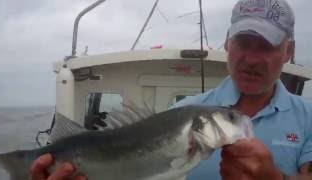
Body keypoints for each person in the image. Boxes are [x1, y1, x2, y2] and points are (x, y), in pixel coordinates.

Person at [30, 0, 312, 179]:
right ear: (227, 43)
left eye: (266, 46)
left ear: (289, 51)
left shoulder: (309, 118)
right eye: (243, 43)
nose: (251, 59)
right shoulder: (180, 113)